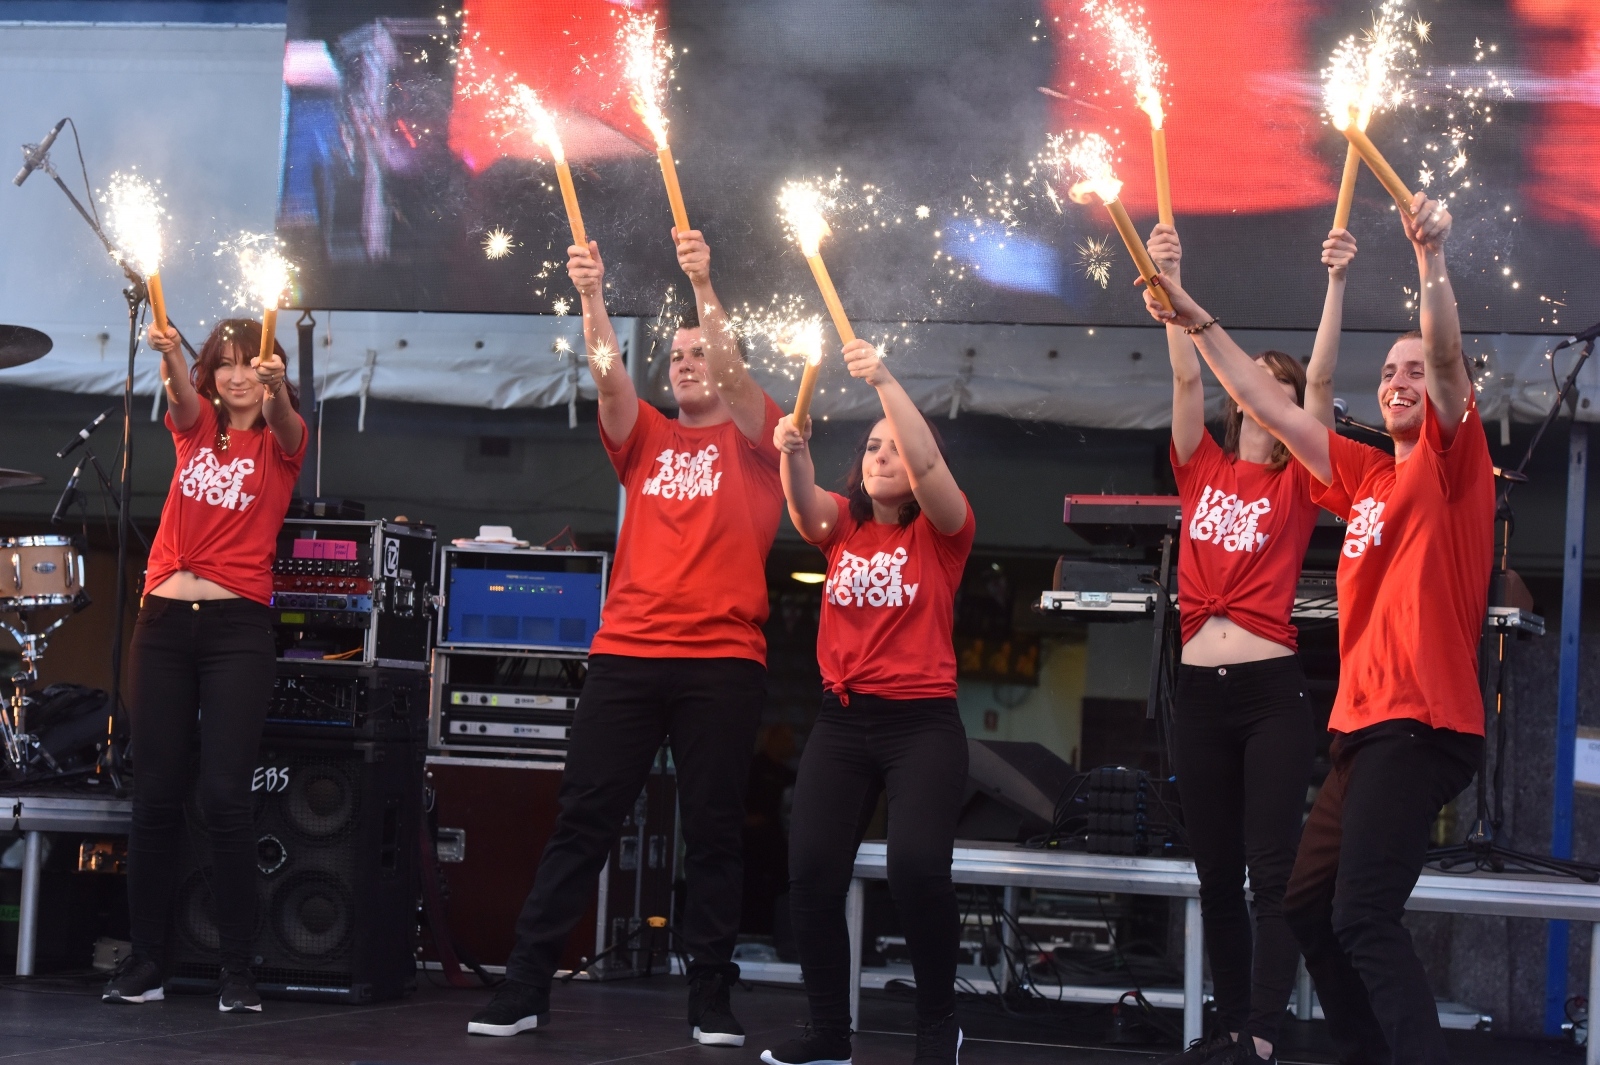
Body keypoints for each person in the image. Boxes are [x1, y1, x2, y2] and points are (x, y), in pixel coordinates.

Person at [1141, 192, 1490, 1065]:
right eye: (1391, 374)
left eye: (1413, 373)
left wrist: (1430, 263)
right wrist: (1192, 313)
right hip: (1364, 731)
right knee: (1303, 903)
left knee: (1362, 913)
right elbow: (1262, 395)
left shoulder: (1452, 464)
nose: (1401, 382)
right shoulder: (1364, 474)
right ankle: (1369, 1050)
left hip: (1425, 721)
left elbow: (1446, 355)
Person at [467, 228, 786, 1046]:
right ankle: (526, 984)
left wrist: (705, 285)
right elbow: (606, 371)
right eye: (674, 354)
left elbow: (742, 378)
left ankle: (710, 994)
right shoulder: (643, 433)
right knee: (583, 821)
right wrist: (591, 295)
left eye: (697, 350)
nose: (682, 362)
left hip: (721, 658)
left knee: (713, 829)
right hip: (629, 652)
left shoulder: (759, 439)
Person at [1151, 222, 1356, 1065]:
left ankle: (1265, 1033)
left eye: (1275, 389)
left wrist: (1336, 287)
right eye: (1254, 387)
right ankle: (1233, 1024)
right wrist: (1168, 289)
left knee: (1271, 871)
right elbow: (1186, 372)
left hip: (1270, 691)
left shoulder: (1300, 481)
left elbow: (1324, 383)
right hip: (1199, 692)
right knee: (1215, 874)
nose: (1257, 399)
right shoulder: (1200, 465)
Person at [760, 340, 976, 1065]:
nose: (883, 453)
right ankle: (829, 1033)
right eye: (872, 445)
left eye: (896, 445)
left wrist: (884, 377)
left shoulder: (944, 531)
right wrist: (792, 449)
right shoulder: (843, 529)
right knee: (812, 870)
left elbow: (933, 467)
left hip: (921, 723)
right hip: (843, 718)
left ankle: (937, 1023)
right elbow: (801, 500)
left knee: (917, 866)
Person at [102, 318, 306, 1013]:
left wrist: (278, 393)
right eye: (225, 363)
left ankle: (238, 969)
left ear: (272, 370)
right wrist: (170, 359)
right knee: (154, 795)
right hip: (162, 622)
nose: (238, 374)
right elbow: (183, 401)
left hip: (237, 628)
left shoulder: (283, 442)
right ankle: (147, 960)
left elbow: (282, 420)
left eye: (252, 363)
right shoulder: (195, 429)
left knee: (224, 795)